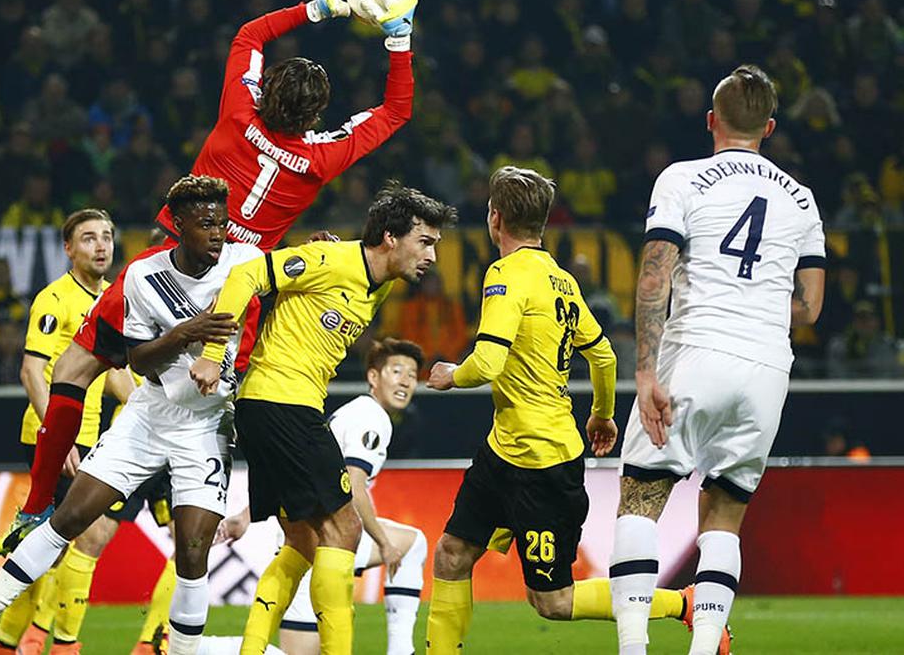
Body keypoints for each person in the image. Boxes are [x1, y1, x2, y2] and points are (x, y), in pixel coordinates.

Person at [0, 0, 417, 571]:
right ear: (315, 116)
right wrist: (397, 36)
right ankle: (230, 519)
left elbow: (248, 36)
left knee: (74, 366)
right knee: (214, 413)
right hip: (235, 298)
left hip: (166, 266)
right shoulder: (321, 157)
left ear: (265, 92)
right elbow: (395, 112)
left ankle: (38, 504)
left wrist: (318, 7)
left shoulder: (235, 117)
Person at [0, 176, 257, 655]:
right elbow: (137, 361)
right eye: (206, 224)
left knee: (193, 552)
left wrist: (319, 252)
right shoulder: (145, 277)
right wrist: (185, 333)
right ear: (179, 225)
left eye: (222, 224)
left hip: (206, 426)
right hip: (148, 415)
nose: (217, 234)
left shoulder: (244, 262)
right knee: (70, 517)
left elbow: (293, 275)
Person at [422, 167, 697, 653]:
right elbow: (605, 355)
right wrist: (603, 413)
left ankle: (680, 605)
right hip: (503, 452)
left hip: (544, 467)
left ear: (495, 217)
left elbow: (486, 362)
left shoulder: (504, 275)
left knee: (552, 602)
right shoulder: (563, 281)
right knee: (450, 555)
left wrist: (450, 375)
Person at [611, 65, 825, 655]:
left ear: (712, 120)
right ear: (770, 128)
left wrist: (647, 371)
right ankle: (704, 647)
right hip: (766, 367)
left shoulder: (682, 179)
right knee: (726, 511)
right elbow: (809, 306)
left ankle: (633, 648)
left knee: (641, 496)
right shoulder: (801, 200)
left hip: (696, 349)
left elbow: (656, 271)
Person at [190, 184, 455, 655]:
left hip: (276, 408)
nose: (433, 255)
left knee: (301, 539)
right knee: (345, 529)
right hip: (281, 403)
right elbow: (246, 276)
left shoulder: (380, 286)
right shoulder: (333, 262)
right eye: (426, 241)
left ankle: (251, 649)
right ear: (391, 237)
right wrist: (214, 354)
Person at [0, 209, 136, 655]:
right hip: (53, 436)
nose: (101, 246)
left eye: (106, 237)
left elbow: (112, 376)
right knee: (76, 539)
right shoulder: (54, 299)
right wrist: (58, 436)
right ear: (68, 249)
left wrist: (151, 409)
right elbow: (32, 371)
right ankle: (50, 643)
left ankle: (13, 643)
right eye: (88, 239)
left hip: (90, 440)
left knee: (55, 547)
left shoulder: (113, 300)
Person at [215, 339, 431, 655]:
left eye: (412, 375)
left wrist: (246, 516)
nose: (405, 381)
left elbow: (298, 479)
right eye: (396, 371)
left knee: (412, 543)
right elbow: (354, 489)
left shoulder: (351, 411)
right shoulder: (371, 418)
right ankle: (196, 649)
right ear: (373, 377)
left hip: (308, 529)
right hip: (330, 534)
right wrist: (383, 543)